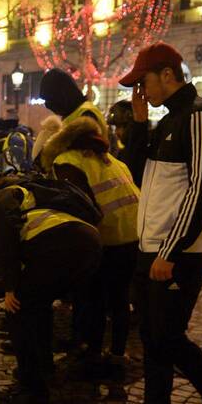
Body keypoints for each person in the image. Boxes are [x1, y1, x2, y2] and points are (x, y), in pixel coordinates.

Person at [111, 42, 202, 404]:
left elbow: (201, 188)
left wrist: (170, 250)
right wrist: (138, 123)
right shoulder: (167, 121)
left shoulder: (200, 117)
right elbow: (136, 173)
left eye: (143, 82)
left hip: (179, 250)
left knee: (167, 334)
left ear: (168, 74)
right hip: (151, 244)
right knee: (151, 333)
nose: (141, 91)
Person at [0, 175, 102, 404]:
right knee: (38, 305)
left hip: (63, 245)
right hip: (89, 244)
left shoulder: (0, 199)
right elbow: (33, 267)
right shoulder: (34, 196)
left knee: (18, 311)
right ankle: (44, 369)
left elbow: (7, 245)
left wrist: (11, 289)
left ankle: (32, 391)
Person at [35, 96, 138, 378]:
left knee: (91, 297)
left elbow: (80, 207)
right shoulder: (113, 161)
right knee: (118, 300)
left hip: (105, 240)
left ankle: (89, 352)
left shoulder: (67, 162)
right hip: (133, 236)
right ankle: (117, 353)